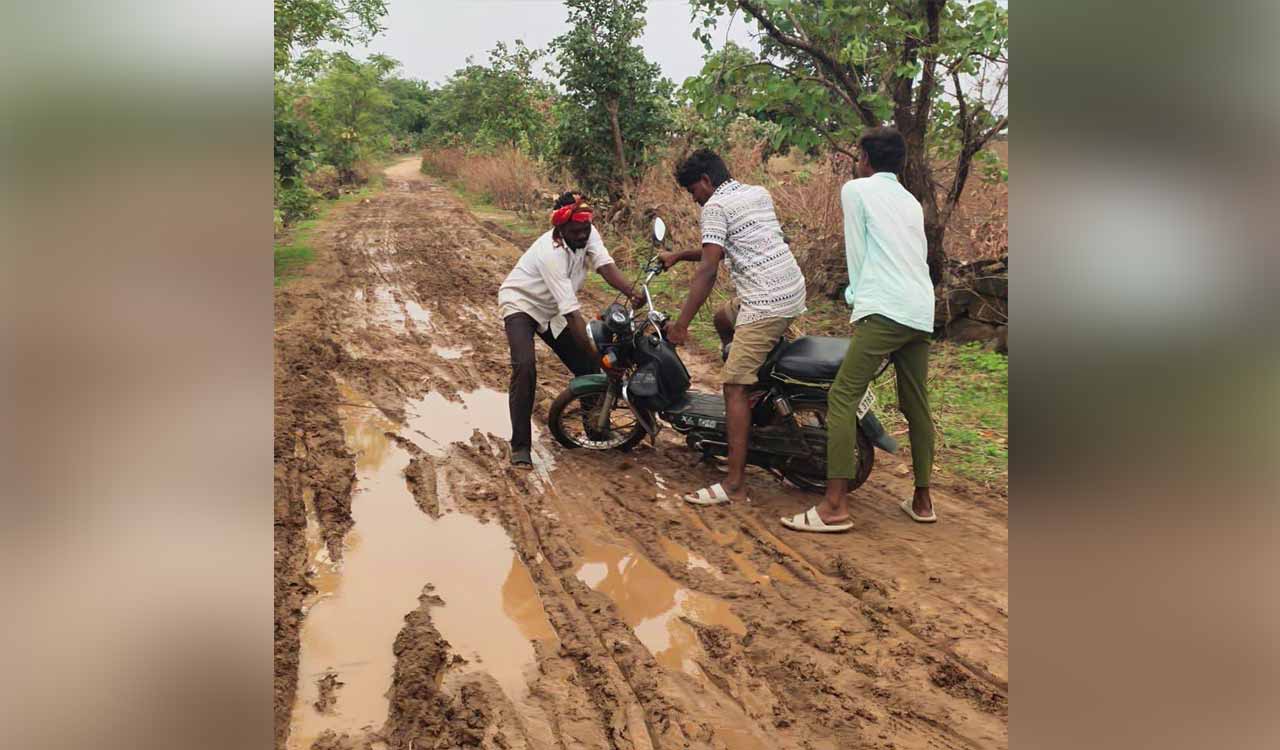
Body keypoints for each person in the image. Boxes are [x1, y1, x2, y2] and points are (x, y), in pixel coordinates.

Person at [781, 127, 937, 534]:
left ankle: (834, 506)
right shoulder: (911, 201)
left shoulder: (856, 190)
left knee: (841, 396)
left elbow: (859, 251)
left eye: (858, 156)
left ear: (865, 159)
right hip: (921, 309)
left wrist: (856, 295)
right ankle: (922, 501)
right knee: (916, 404)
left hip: (884, 307)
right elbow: (915, 255)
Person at [661, 149, 807, 506]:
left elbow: (709, 269)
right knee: (723, 318)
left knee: (733, 386)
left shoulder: (715, 207)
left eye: (693, 190)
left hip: (766, 303)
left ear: (706, 180)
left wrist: (681, 325)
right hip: (791, 290)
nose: (694, 199)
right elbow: (725, 248)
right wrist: (678, 255)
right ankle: (759, 393)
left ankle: (735, 484)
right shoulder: (757, 192)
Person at [498, 192, 643, 468]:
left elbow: (605, 265)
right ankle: (520, 447)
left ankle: (595, 429)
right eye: (576, 231)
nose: (582, 235)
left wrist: (631, 291)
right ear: (560, 229)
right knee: (525, 367)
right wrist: (601, 357)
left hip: (551, 310)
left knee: (587, 365)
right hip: (522, 305)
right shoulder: (550, 254)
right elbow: (573, 315)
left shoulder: (588, 233)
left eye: (585, 229)